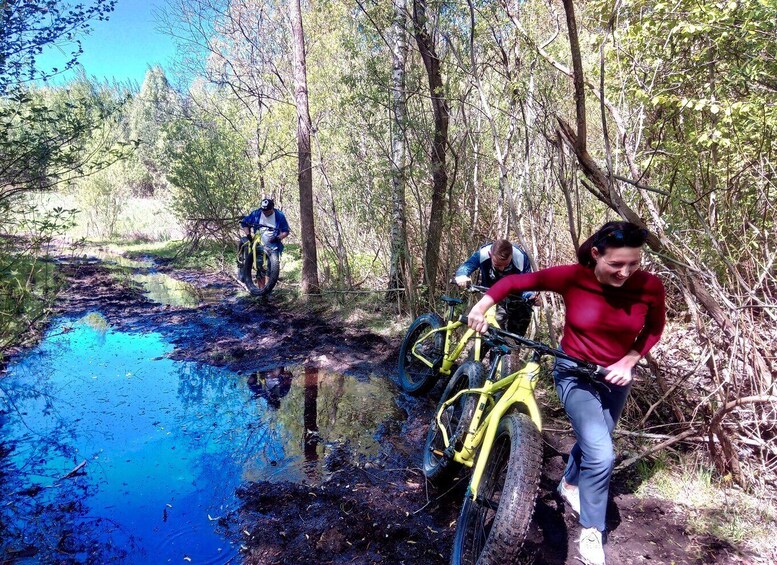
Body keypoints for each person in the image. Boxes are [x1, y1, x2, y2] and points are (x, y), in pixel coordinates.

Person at [466, 221, 665, 565]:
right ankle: (591, 530)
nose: (625, 272)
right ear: (595, 254)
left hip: (615, 378)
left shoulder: (649, 286)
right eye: (616, 264)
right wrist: (481, 307)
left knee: (596, 441)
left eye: (634, 263)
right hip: (573, 372)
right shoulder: (574, 277)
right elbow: (515, 281)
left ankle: (569, 483)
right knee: (602, 453)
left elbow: (655, 327)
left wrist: (630, 360)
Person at [454, 238, 535, 336]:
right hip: (491, 296)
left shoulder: (520, 257)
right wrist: (462, 275)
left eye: (506, 265)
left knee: (516, 332)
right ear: (490, 255)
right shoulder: (483, 253)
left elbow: (526, 283)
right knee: (491, 332)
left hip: (515, 298)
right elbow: (467, 266)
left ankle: (513, 348)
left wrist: (530, 295)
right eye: (498, 265)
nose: (502, 268)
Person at [239, 197, 290, 291]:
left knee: (272, 270)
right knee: (260, 268)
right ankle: (260, 291)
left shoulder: (279, 215)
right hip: (259, 246)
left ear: (272, 208)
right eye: (263, 210)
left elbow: (285, 231)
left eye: (267, 211)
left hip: (273, 246)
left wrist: (278, 237)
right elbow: (244, 223)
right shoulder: (257, 213)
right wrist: (248, 234)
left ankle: (268, 290)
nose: (265, 212)